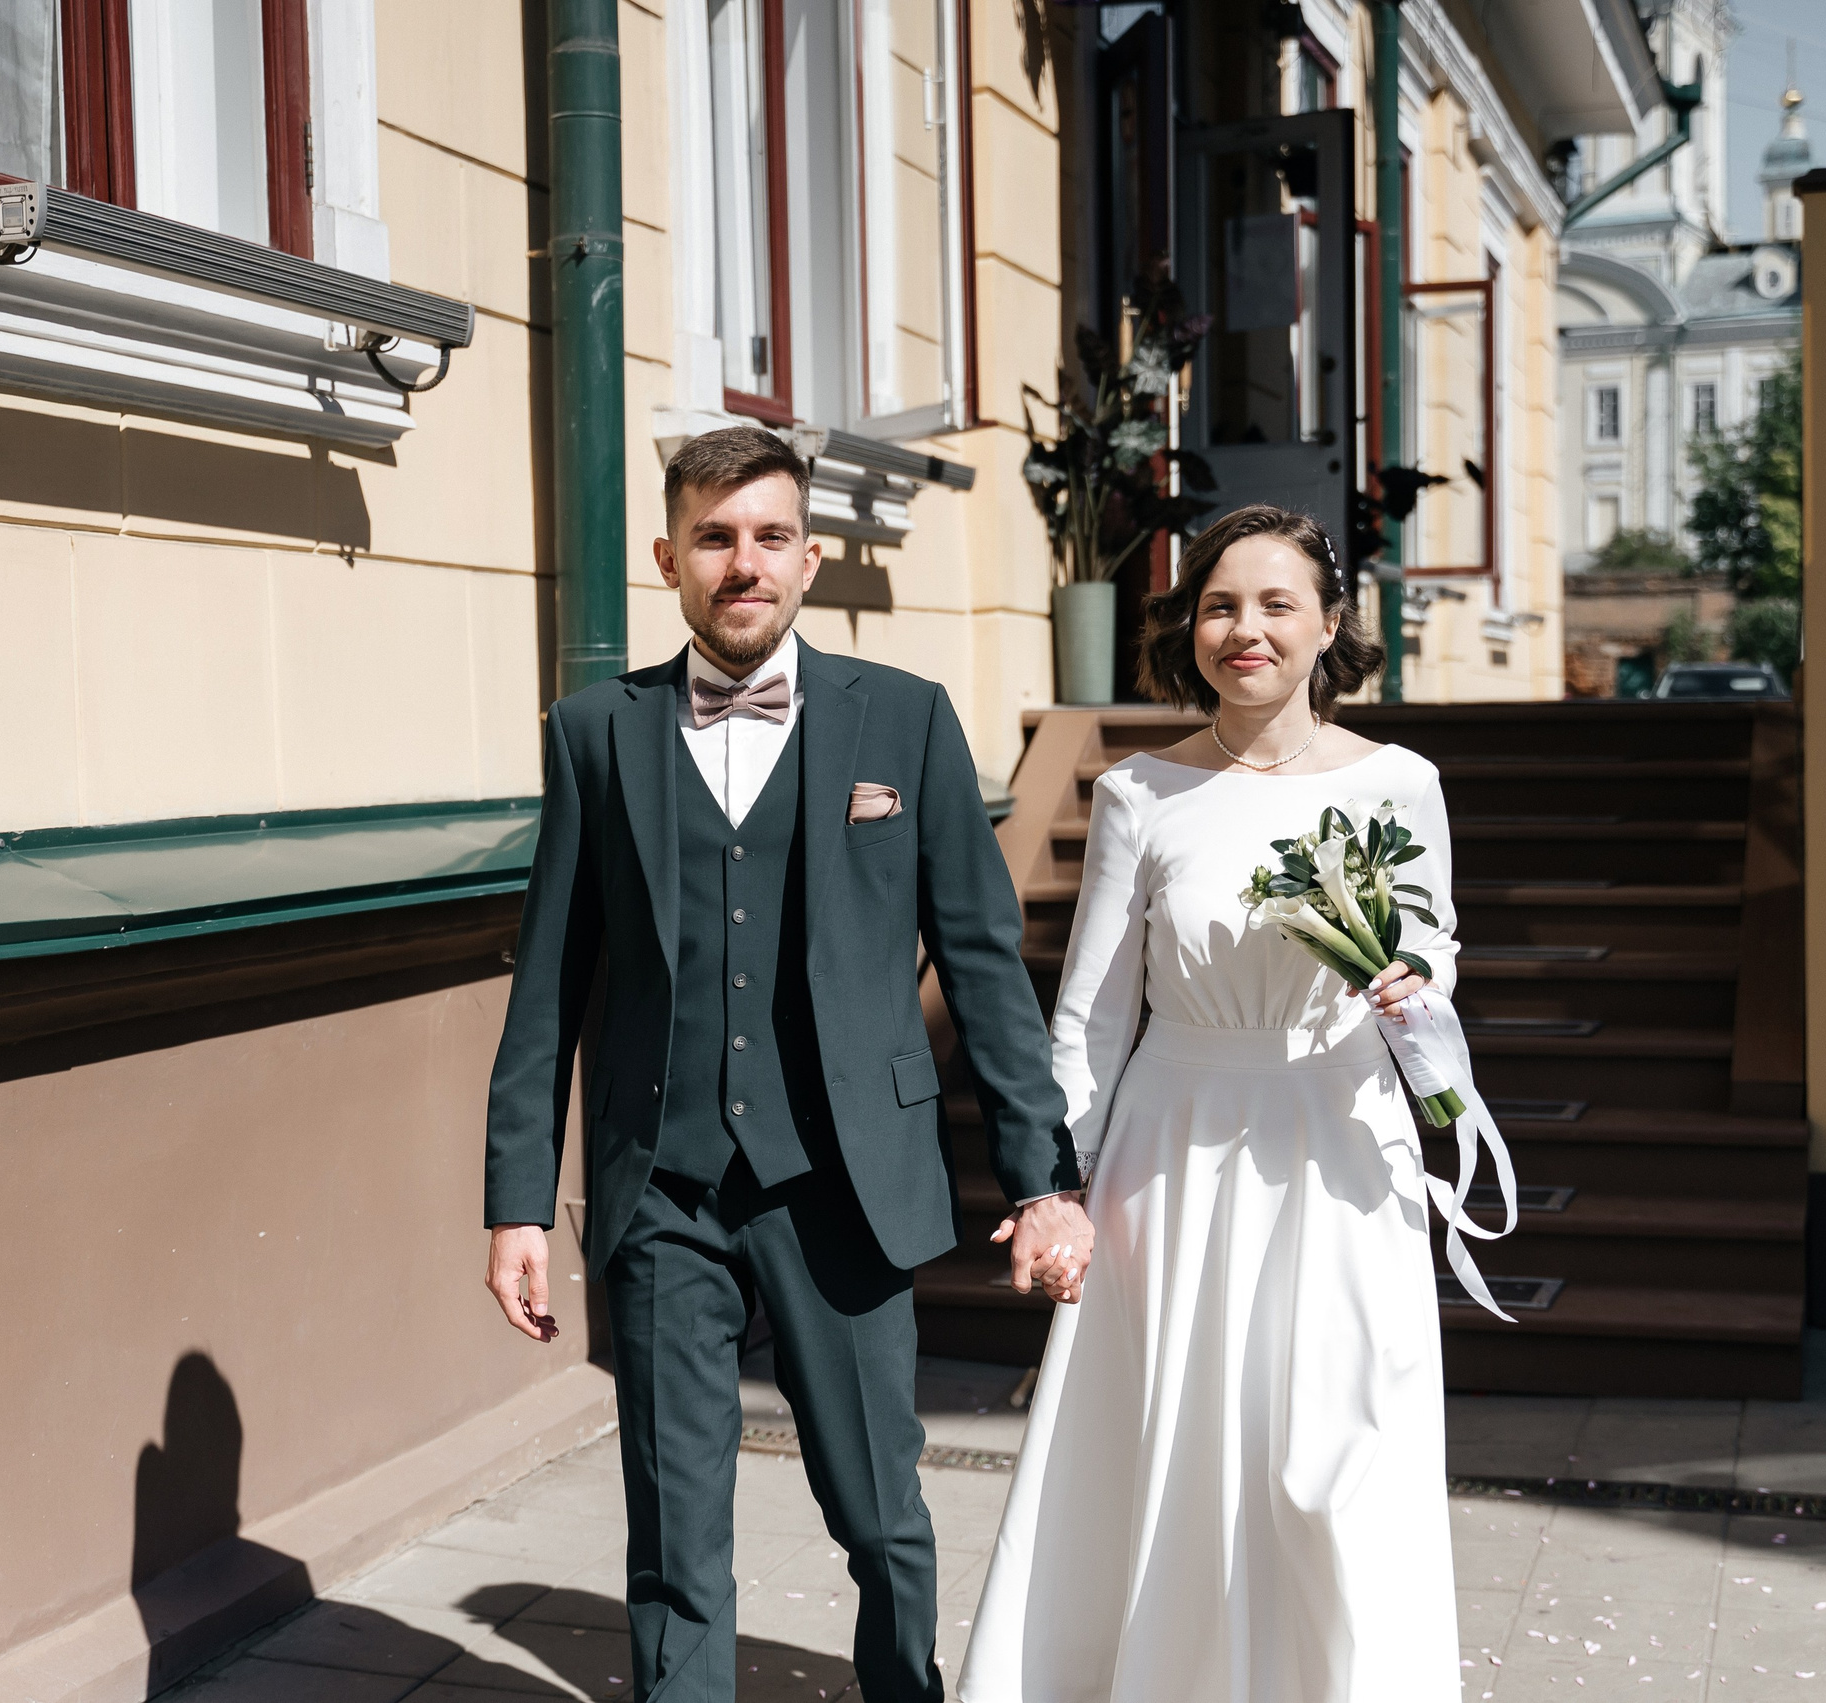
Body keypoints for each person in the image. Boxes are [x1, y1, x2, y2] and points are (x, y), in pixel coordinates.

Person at [481, 425, 1094, 1703]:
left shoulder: (908, 722)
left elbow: (982, 968)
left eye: (767, 536)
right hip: (664, 1187)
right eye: (713, 538)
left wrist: (1041, 1176)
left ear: (811, 557)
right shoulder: (598, 731)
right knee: (675, 1529)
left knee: (878, 1514)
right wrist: (516, 1200)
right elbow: (549, 979)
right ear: (669, 557)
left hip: (844, 1183)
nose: (741, 563)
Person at [960, 504, 1504, 1702]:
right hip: (1178, 1147)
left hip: (1339, 1140)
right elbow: (1094, 1014)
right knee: (1175, 1442)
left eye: (1273, 603)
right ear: (1188, 626)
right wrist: (1056, 1184)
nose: (1243, 628)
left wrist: (1417, 983)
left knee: (1334, 1452)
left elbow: (1437, 946)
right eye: (1218, 603)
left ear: (1327, 625)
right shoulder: (1139, 792)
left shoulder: (1401, 782)